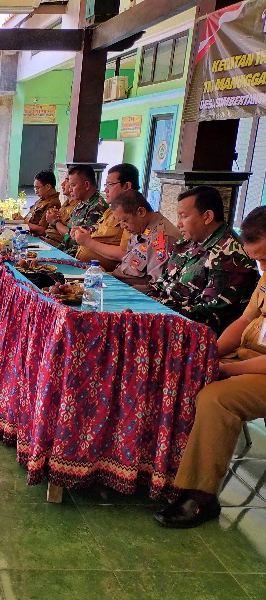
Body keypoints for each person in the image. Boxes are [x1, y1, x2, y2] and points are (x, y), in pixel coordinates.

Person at [155, 205, 266, 528]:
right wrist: (209, 357)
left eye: (264, 259)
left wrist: (226, 371)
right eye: (258, 260)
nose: (261, 267)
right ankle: (160, 469)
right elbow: (244, 320)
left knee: (217, 399)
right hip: (247, 356)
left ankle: (201, 496)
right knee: (183, 373)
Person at [148, 185, 258, 335]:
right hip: (164, 317)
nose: (178, 223)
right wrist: (149, 300)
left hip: (195, 333)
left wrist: (157, 306)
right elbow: (161, 284)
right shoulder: (187, 243)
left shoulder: (229, 254)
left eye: (184, 216)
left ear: (207, 217)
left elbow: (213, 315)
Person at [71, 163, 139, 271]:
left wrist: (88, 243)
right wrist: (82, 235)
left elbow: (125, 253)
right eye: (105, 185)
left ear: (127, 186)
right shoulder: (110, 210)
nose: (106, 190)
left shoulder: (134, 214)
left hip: (106, 273)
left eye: (110, 185)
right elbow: (100, 235)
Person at [109, 190, 181, 291]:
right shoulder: (140, 228)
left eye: (125, 221)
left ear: (141, 212)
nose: (122, 227)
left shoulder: (162, 238)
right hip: (118, 282)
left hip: (132, 292)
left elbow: (155, 286)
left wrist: (116, 289)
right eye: (120, 222)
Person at [44, 165, 106, 255]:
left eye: (73, 185)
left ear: (87, 185)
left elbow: (80, 243)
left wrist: (55, 222)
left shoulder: (97, 207)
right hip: (64, 252)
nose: (70, 189)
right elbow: (68, 236)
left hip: (77, 257)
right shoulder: (81, 204)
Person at [14, 170, 60, 236]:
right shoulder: (42, 200)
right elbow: (29, 219)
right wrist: (19, 219)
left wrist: (23, 222)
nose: (36, 192)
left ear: (48, 186)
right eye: (35, 189)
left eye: (37, 188)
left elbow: (42, 230)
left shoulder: (53, 204)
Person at [40, 177, 77, 247]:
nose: (62, 184)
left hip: (55, 244)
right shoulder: (66, 203)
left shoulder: (78, 207)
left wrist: (54, 221)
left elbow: (72, 236)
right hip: (46, 240)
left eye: (67, 181)